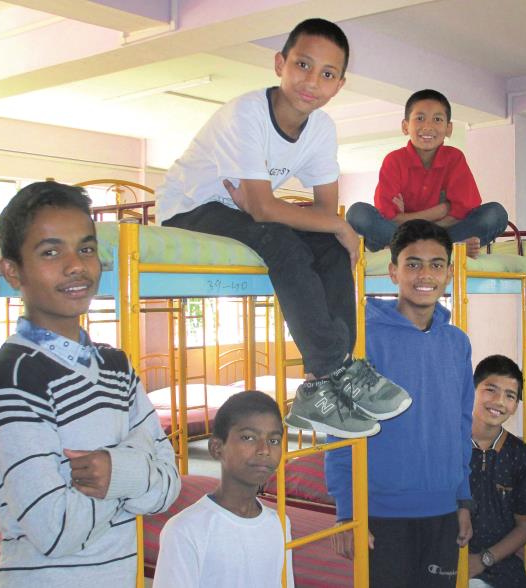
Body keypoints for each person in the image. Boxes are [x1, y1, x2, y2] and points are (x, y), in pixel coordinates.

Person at [155, 18, 410, 438]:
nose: (312, 81)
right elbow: (260, 208)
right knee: (279, 239)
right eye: (303, 65)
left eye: (327, 74)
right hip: (190, 208)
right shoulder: (247, 113)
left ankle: (321, 384)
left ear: (339, 85)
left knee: (330, 247)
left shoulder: (322, 129)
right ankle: (336, 369)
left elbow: (325, 213)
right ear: (280, 63)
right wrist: (268, 208)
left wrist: (324, 224)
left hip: (239, 209)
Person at [0, 181, 180, 587]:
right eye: (51, 252)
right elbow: (55, 529)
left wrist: (113, 472)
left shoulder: (116, 365)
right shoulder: (12, 378)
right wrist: (136, 468)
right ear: (13, 270)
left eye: (86, 248)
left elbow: (170, 487)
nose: (76, 265)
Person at [325, 219, 474, 587]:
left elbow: (460, 424)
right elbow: (341, 430)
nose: (425, 274)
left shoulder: (457, 342)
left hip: (443, 511)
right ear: (394, 272)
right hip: (380, 513)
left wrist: (462, 500)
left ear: (450, 273)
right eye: (413, 263)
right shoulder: (363, 339)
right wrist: (348, 513)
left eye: (437, 264)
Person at [346, 89, 508, 259]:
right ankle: (447, 250)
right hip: (412, 235)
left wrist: (406, 218)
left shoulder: (454, 158)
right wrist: (442, 209)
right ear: (405, 126)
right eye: (420, 118)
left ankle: (408, 250)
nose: (428, 126)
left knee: (496, 214)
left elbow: (462, 211)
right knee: (357, 213)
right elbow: (389, 216)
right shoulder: (394, 160)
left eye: (437, 119)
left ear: (448, 128)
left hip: (429, 234)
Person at [154, 391, 293, 586]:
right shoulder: (184, 530)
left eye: (274, 440)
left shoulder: (279, 523)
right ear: (216, 448)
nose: (265, 450)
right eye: (248, 437)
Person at [468, 355, 526, 588]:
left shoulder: (520, 455)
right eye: (490, 390)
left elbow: (525, 526)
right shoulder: (445, 443)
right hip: (443, 559)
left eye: (510, 396)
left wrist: (484, 559)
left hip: (499, 563)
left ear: (515, 406)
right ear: (471, 390)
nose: (499, 401)